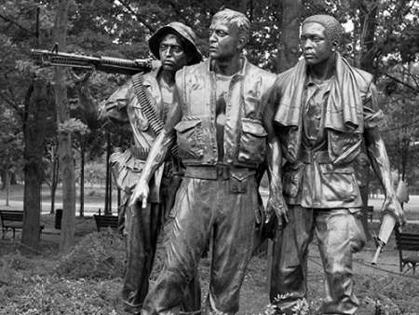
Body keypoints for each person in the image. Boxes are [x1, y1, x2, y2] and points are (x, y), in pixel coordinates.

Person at [129, 8, 284, 314]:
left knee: (227, 285)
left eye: (221, 33)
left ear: (241, 41)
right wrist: (144, 179)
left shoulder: (266, 82)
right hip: (195, 186)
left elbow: (274, 140)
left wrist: (275, 190)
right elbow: (167, 136)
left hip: (240, 190)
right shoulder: (187, 78)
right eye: (211, 31)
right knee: (173, 271)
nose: (212, 38)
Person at [270, 14, 406, 314]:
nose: (305, 44)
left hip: (338, 185)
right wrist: (274, 188)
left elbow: (374, 142)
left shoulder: (360, 84)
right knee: (286, 269)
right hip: (296, 185)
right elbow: (273, 140)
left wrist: (390, 195)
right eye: (303, 38)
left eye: (314, 39)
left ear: (333, 45)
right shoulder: (283, 83)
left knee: (337, 266)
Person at [76, 22, 203, 314]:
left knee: (183, 254)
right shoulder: (136, 85)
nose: (168, 53)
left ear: (189, 54)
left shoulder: (196, 87)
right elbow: (95, 119)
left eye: (176, 48)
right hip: (140, 176)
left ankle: (192, 311)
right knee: (137, 254)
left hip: (182, 177)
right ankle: (130, 309)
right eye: (163, 48)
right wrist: (81, 88)